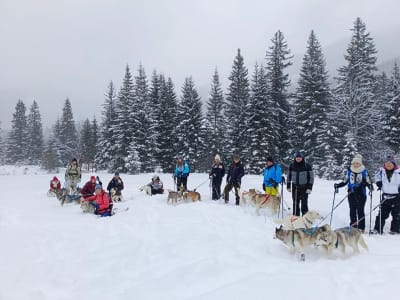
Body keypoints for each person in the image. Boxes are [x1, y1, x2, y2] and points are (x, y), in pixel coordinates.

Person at [334, 154, 373, 233]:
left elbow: (369, 182)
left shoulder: (364, 171)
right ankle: (353, 226)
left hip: (361, 194)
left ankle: (361, 227)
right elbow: (345, 181)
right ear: (352, 163)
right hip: (351, 193)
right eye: (354, 163)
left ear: (360, 164)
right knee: (352, 210)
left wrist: (369, 187)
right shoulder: (349, 171)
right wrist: (338, 185)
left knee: (360, 210)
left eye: (357, 163)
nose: (356, 164)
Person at [372, 155, 400, 234]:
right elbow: (377, 177)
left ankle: (395, 230)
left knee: (396, 214)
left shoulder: (398, 172)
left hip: (397, 197)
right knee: (382, 214)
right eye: (387, 163)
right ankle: (377, 229)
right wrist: (378, 182)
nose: (388, 164)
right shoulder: (381, 171)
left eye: (390, 163)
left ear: (394, 164)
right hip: (385, 196)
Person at [286, 151, 314, 216]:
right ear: (295, 158)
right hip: (295, 187)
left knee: (304, 203)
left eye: (299, 157)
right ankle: (296, 217)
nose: (298, 158)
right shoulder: (292, 166)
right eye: (297, 157)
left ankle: (305, 218)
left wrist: (309, 187)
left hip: (304, 187)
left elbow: (311, 177)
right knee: (295, 203)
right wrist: (288, 185)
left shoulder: (307, 166)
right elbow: (288, 176)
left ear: (302, 158)